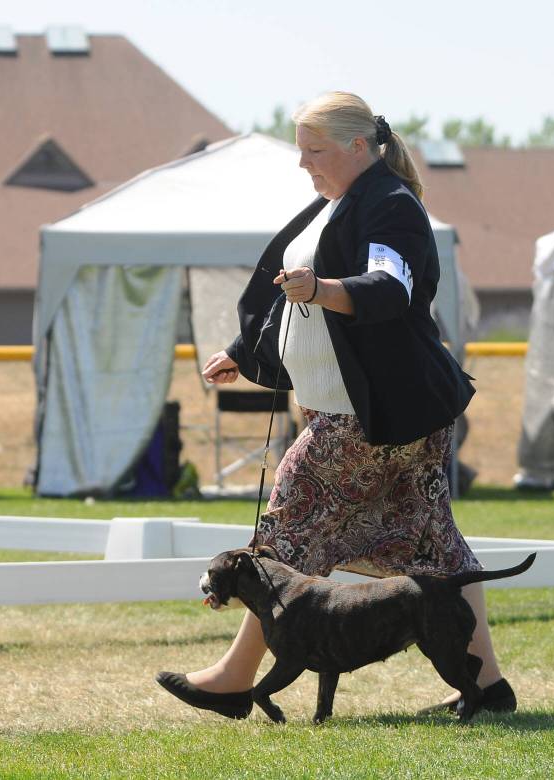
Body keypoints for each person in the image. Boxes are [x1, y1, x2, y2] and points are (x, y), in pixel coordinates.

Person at [156, 92, 516, 719]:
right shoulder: (336, 204)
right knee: (435, 554)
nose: (303, 164)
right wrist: (247, 350)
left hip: (372, 416)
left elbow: (388, 288)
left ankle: (235, 678)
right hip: (372, 413)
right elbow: (288, 294)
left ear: (358, 146)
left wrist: (322, 289)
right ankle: (484, 686)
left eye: (314, 151)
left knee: (287, 531)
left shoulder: (392, 207)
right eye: (300, 151)